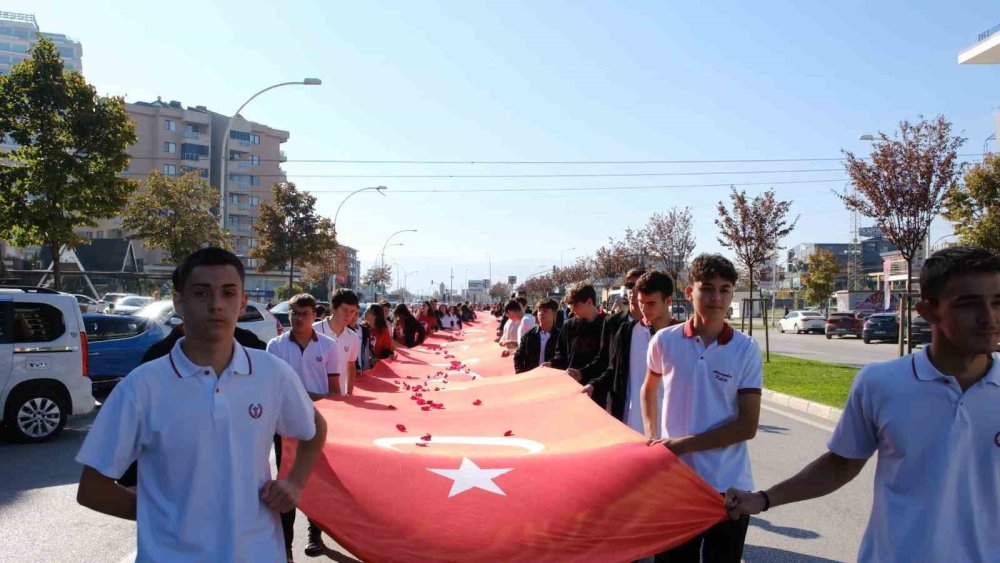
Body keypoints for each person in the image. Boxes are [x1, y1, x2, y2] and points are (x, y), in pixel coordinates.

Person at [725, 246, 1000, 562]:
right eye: (969, 304)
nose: (989, 317)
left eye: (997, 302)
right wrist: (763, 499)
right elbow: (841, 463)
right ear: (927, 311)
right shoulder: (882, 383)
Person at [75, 248, 327, 563]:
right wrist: (165, 515)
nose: (216, 304)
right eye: (201, 292)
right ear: (179, 302)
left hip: (258, 552)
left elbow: (314, 428)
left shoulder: (271, 372)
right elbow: (92, 488)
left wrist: (295, 483)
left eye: (228, 292)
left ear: (243, 300)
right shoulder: (141, 386)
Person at [641, 254, 761, 562]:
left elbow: (747, 426)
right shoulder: (664, 341)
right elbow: (648, 389)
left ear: (732, 294)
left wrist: (681, 445)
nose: (716, 297)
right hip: (676, 484)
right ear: (688, 291)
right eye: (707, 288)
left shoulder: (745, 349)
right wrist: (653, 438)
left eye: (724, 289)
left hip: (729, 488)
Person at [266, 293, 341, 559]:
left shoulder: (329, 347)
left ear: (315, 315)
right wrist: (304, 397)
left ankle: (314, 536)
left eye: (304, 314)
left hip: (317, 426)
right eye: (294, 313)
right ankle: (285, 547)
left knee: (315, 482)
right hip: (283, 426)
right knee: (286, 480)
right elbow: (272, 389)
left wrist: (303, 398)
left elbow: (334, 392)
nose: (298, 318)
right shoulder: (275, 346)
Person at [590, 271, 679, 432]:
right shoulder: (626, 331)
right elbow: (613, 368)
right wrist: (592, 385)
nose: (644, 309)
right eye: (641, 302)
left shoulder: (685, 336)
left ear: (668, 301)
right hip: (631, 425)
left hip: (673, 431)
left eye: (651, 303)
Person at [581, 267, 646, 409]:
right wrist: (583, 375)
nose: (633, 290)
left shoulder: (656, 325)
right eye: (629, 286)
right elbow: (605, 360)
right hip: (619, 400)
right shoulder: (612, 322)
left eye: (638, 286)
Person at [547, 283, 606, 399]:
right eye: (571, 305)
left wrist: (583, 374)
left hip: (598, 391)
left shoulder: (608, 324)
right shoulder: (568, 325)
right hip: (571, 389)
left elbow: (607, 361)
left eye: (576, 305)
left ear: (589, 302)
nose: (572, 310)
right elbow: (561, 356)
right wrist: (551, 364)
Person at [315, 289, 361, 395]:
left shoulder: (353, 337)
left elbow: (351, 365)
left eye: (352, 311)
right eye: (344, 310)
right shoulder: (313, 331)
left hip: (338, 400)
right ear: (332, 307)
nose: (348, 315)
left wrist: (349, 393)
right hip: (314, 400)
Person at [513, 298, 561, 373]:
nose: (540, 313)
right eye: (539, 310)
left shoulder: (560, 336)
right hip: (531, 379)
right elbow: (518, 357)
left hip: (552, 379)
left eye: (545, 311)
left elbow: (562, 359)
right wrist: (521, 374)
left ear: (554, 314)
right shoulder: (529, 335)